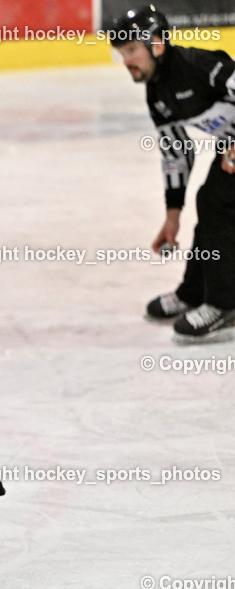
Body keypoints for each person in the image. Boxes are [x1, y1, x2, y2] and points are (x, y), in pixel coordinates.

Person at [110, 6, 235, 343]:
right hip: (231, 150)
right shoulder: (157, 91)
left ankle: (224, 304)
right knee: (210, 206)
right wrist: (171, 217)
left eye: (133, 50)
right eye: (122, 54)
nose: (127, 61)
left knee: (216, 201)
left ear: (158, 44)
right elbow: (176, 153)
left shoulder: (199, 65)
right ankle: (194, 292)